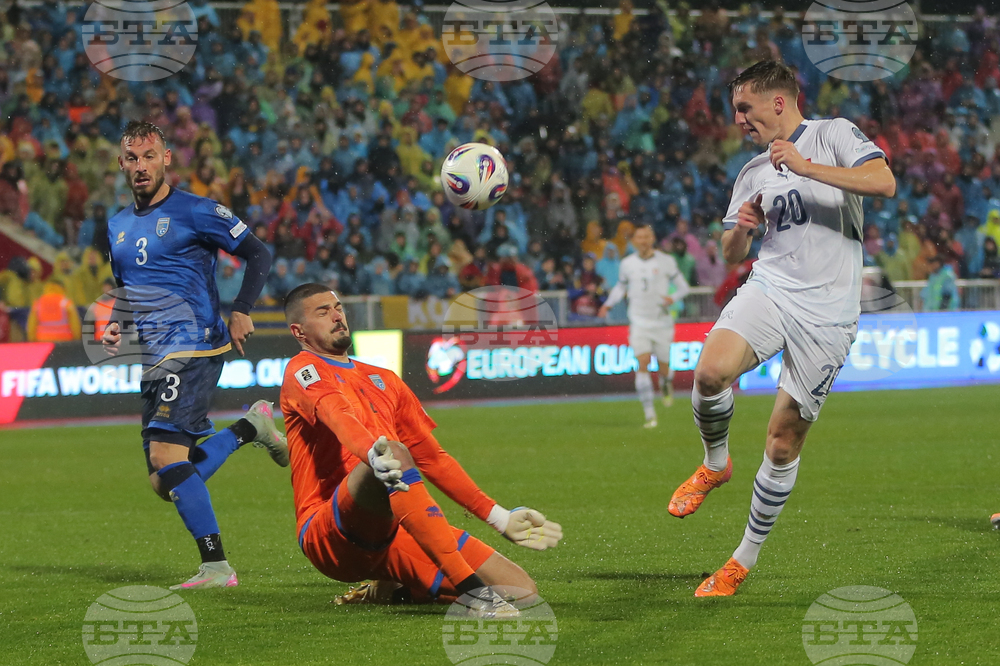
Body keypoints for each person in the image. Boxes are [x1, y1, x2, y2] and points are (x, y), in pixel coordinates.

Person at [667, 61, 896, 597]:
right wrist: (741, 232)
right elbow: (731, 250)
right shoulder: (751, 171)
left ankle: (741, 560)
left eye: (744, 108)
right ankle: (715, 464)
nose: (739, 119)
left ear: (778, 102)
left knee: (782, 443)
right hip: (771, 287)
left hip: (829, 313)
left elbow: (882, 182)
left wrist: (807, 166)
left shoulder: (833, 134)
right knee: (709, 373)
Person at [280, 283, 562, 612]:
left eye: (338, 307)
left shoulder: (383, 379)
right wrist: (373, 454)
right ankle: (477, 597)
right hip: (331, 532)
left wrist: (499, 517)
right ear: (298, 331)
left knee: (523, 592)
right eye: (322, 312)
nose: (337, 316)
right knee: (392, 453)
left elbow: (433, 459)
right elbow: (338, 415)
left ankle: (389, 589)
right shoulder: (302, 371)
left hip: (394, 527)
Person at [101, 121, 289, 590]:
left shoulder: (198, 211)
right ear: (121, 164)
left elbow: (259, 254)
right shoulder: (117, 226)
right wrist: (116, 323)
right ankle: (253, 426)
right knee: (164, 481)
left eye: (148, 156)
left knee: (167, 457)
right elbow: (129, 289)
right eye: (131, 158)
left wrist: (242, 309)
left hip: (194, 345)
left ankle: (217, 567)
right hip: (153, 356)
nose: (140, 165)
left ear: (166, 159)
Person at [597, 225, 690, 427]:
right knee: (643, 363)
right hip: (638, 321)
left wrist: (671, 298)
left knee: (664, 369)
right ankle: (650, 415)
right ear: (634, 241)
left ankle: (666, 383)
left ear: (652, 238)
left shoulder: (666, 261)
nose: (643, 240)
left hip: (662, 322)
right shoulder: (627, 264)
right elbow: (621, 286)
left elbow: (684, 287)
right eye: (639, 237)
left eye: (647, 236)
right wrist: (608, 304)